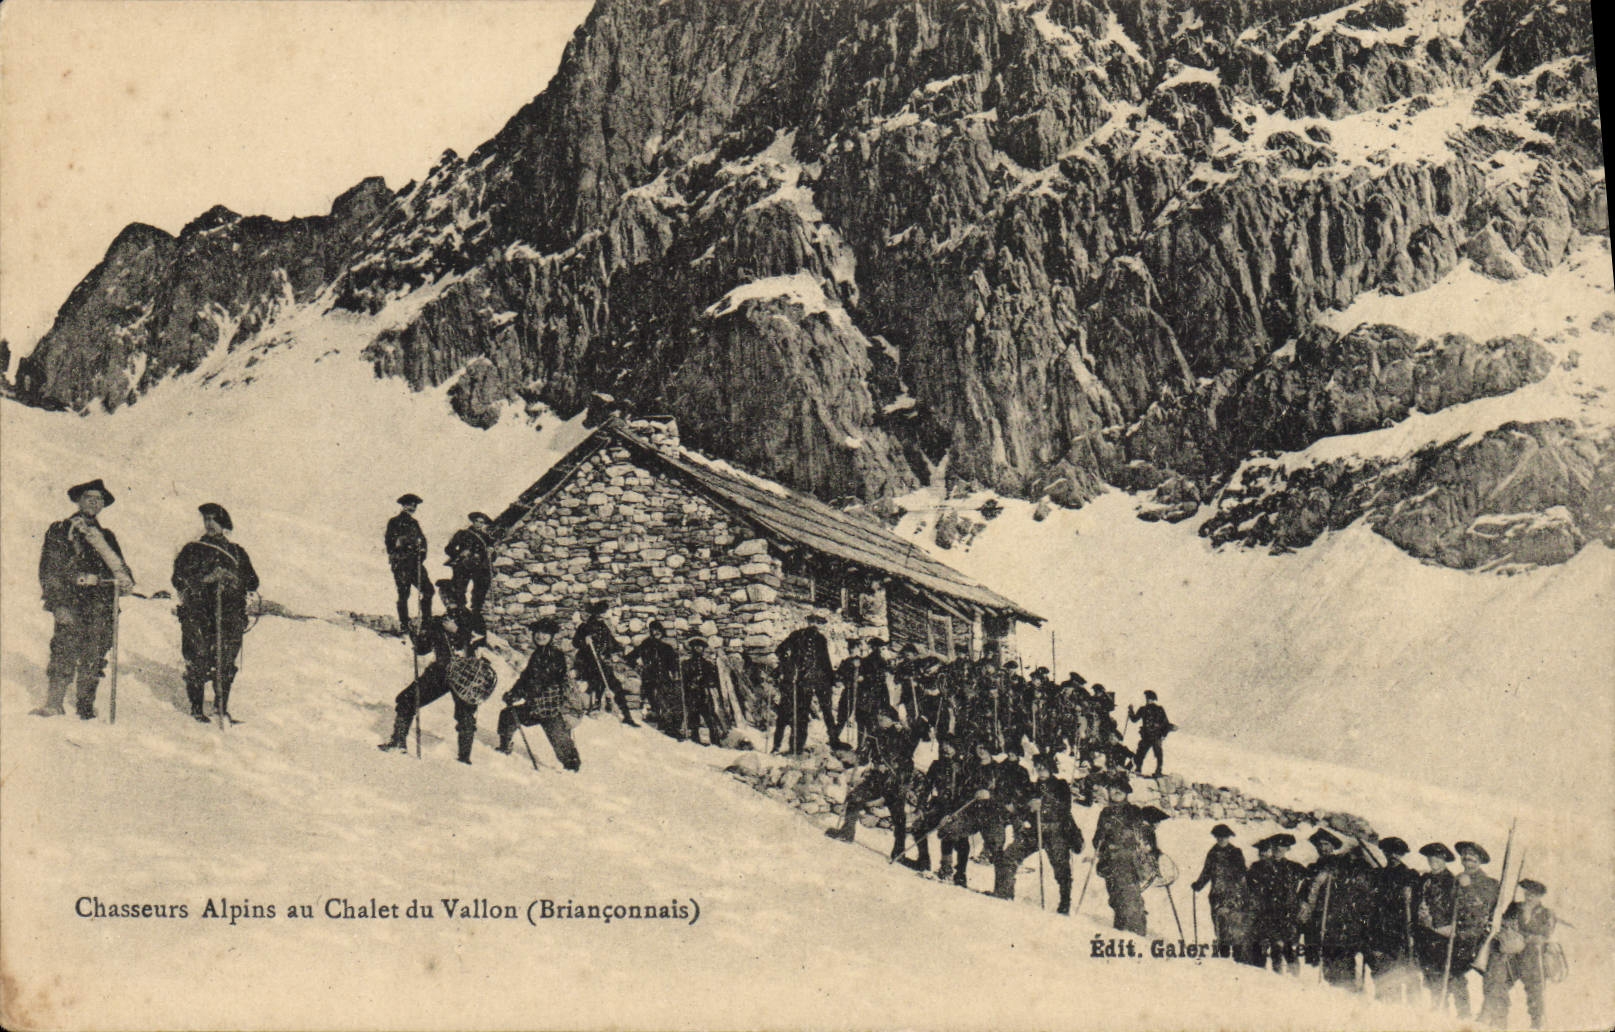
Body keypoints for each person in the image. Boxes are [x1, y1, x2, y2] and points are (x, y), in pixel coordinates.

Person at [35, 479, 135, 719]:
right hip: (71, 601)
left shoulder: (106, 537)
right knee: (64, 650)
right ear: (78, 501)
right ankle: (54, 703)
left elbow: (121, 569)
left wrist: (124, 582)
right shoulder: (62, 530)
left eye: (99, 499)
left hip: (100, 605)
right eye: (89, 498)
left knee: (94, 655)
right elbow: (50, 570)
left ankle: (85, 707)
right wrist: (58, 604)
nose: (94, 503)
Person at [171, 503, 261, 723]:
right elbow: (178, 578)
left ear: (224, 524)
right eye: (207, 519)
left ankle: (221, 708)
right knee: (198, 657)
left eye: (215, 520)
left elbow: (252, 581)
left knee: (226, 661)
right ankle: (196, 709)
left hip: (230, 614)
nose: (210, 524)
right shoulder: (192, 549)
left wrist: (232, 578)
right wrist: (207, 578)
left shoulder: (237, 552)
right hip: (198, 612)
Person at [378, 605, 485, 764]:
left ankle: (464, 758)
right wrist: (415, 633)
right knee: (407, 699)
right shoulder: (438, 622)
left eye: (452, 596)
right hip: (440, 672)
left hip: (465, 673)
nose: (448, 601)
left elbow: (479, 642)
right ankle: (398, 742)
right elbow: (422, 649)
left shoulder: (473, 619)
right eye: (446, 597)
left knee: (466, 714)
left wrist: (457, 631)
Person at [994, 751, 1083, 912]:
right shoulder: (1032, 787)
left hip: (1056, 831)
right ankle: (1004, 893)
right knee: (1009, 855)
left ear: (1051, 768)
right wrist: (1026, 806)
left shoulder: (1061, 785)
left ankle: (1065, 903)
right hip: (1035, 831)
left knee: (1062, 869)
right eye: (1038, 767)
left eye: (1044, 767)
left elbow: (1064, 807)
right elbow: (1022, 807)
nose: (1041, 771)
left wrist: (1045, 803)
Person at [824, 711, 918, 861]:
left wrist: (896, 771)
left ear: (892, 719)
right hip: (876, 779)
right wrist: (852, 758)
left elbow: (908, 760)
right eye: (879, 716)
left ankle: (899, 851)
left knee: (898, 816)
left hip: (895, 781)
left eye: (884, 716)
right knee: (854, 797)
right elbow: (863, 756)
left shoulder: (903, 736)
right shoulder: (874, 735)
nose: (880, 718)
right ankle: (847, 833)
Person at [496, 618, 581, 771]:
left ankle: (573, 768)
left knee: (560, 742)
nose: (540, 636)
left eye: (545, 633)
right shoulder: (536, 655)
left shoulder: (556, 655)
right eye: (538, 632)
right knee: (508, 716)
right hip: (534, 706)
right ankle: (504, 747)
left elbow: (544, 680)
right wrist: (513, 693)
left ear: (551, 636)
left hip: (551, 708)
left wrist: (521, 692)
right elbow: (526, 677)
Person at [1298, 828, 1375, 989]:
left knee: (1341, 959)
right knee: (1321, 960)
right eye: (1320, 845)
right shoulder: (1313, 867)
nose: (1323, 848)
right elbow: (1306, 894)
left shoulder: (1341, 864)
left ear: (1333, 846)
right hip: (1319, 920)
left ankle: (1347, 990)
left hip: (1339, 921)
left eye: (1326, 844)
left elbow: (1358, 878)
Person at [1478, 878, 1556, 1029]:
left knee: (1535, 991)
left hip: (1532, 959)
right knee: (1497, 984)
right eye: (1527, 893)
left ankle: (1537, 1023)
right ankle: (1496, 1020)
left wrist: (1523, 938)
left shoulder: (1547, 913)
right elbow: (1503, 924)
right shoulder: (1515, 907)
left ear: (1540, 896)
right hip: (1511, 957)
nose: (1529, 897)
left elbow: (1545, 935)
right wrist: (1504, 926)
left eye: (1534, 894)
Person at [1091, 775, 1157, 934]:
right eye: (1113, 788)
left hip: (1129, 861)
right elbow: (1097, 838)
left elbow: (1146, 834)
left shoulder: (1134, 811)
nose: (1116, 792)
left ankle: (1136, 932)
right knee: (1115, 897)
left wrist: (1150, 848)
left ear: (1127, 792)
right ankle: (1120, 930)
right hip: (1110, 861)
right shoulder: (1105, 813)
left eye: (1120, 789)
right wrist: (1100, 841)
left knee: (1130, 897)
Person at [1444, 840, 1500, 1018]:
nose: (1468, 862)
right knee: (1451, 972)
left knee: (1490, 980)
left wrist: (1468, 887)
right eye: (1465, 858)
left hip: (1477, 937)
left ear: (1479, 862)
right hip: (1457, 935)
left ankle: (1486, 1016)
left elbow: (1482, 909)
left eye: (1473, 859)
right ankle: (1462, 1013)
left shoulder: (1489, 883)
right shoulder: (1457, 879)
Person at [1365, 837, 1423, 1001]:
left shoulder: (1411, 876)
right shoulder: (1378, 875)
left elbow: (1417, 907)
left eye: (1397, 853)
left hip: (1402, 933)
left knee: (1407, 976)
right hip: (1381, 932)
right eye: (1389, 852)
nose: (1393, 856)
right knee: (1383, 975)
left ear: (1402, 855)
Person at [912, 737, 972, 886]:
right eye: (944, 745)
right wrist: (920, 808)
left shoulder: (964, 768)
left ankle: (956, 872)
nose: (946, 749)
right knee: (919, 826)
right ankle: (923, 862)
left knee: (956, 836)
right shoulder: (937, 765)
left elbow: (967, 792)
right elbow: (926, 788)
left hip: (958, 808)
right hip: (939, 805)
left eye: (950, 746)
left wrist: (954, 812)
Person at [774, 614, 837, 754]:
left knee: (827, 710)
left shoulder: (821, 639)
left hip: (820, 679)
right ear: (807, 622)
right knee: (802, 715)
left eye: (818, 622)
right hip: (803, 680)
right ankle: (797, 747)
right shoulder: (796, 636)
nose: (814, 625)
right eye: (812, 621)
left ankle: (834, 741)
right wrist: (789, 663)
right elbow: (780, 650)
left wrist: (831, 679)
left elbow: (825, 660)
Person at [1246, 833, 1305, 972]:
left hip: (1286, 916)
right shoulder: (1258, 867)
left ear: (1288, 849)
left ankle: (1293, 980)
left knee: (1287, 950)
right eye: (1275, 846)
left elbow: (1311, 881)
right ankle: (1262, 978)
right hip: (1265, 915)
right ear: (1271, 847)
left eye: (1283, 846)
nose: (1279, 849)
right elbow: (1248, 887)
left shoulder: (1294, 867)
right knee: (1260, 950)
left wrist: (1300, 900)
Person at [573, 600, 638, 726]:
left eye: (602, 613)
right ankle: (595, 708)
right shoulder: (584, 627)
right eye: (599, 613)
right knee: (597, 682)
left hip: (601, 663)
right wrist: (584, 641)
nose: (601, 616)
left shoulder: (603, 627)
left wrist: (619, 649)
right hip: (587, 663)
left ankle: (627, 715)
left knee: (616, 685)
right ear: (594, 614)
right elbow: (575, 642)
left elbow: (611, 642)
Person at [1191, 824, 1250, 959]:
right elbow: (1207, 872)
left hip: (1234, 896)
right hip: (1217, 896)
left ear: (1229, 837)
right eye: (1219, 837)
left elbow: (1243, 873)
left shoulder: (1236, 852)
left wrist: (1243, 890)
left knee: (1235, 926)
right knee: (1220, 927)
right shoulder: (1212, 854)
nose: (1221, 840)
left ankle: (1238, 957)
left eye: (1224, 837)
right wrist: (1198, 885)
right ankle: (1224, 957)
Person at [385, 494, 433, 632]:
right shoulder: (394, 522)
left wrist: (422, 551)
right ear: (403, 505)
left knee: (428, 590)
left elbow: (423, 541)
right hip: (402, 564)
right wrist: (405, 543)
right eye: (409, 504)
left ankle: (426, 623)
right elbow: (390, 543)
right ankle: (404, 624)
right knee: (404, 594)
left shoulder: (414, 523)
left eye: (414, 505)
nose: (412, 507)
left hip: (415, 564)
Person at [627, 621, 682, 735]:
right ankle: (665, 729)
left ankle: (671, 728)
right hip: (650, 680)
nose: (656, 633)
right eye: (653, 630)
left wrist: (675, 671)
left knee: (669, 703)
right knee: (657, 704)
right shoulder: (645, 645)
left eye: (658, 630)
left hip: (665, 680)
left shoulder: (667, 648)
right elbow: (630, 658)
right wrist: (639, 669)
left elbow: (673, 665)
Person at [444, 512, 494, 617]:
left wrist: (491, 552)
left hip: (479, 567)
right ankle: (461, 611)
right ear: (473, 522)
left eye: (482, 522)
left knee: (480, 589)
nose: (479, 524)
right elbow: (448, 549)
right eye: (477, 521)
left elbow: (492, 557)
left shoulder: (486, 538)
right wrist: (460, 553)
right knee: (460, 589)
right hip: (463, 565)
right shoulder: (462, 534)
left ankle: (476, 612)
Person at [677, 637, 723, 745]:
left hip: (705, 695)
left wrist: (706, 683)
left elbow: (713, 680)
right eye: (696, 647)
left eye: (700, 647)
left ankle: (715, 741)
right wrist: (690, 685)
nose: (698, 649)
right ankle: (695, 741)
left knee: (710, 717)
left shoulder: (707, 664)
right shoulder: (686, 664)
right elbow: (683, 681)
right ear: (692, 648)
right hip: (692, 695)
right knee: (694, 718)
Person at [1128, 690, 1172, 777]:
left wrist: (1130, 710)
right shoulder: (1149, 709)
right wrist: (1131, 710)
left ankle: (1153, 770)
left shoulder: (1152, 709)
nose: (1147, 700)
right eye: (1147, 698)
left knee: (1152, 753)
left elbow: (1165, 723)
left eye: (1149, 698)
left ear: (1152, 699)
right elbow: (1134, 719)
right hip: (1151, 736)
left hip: (1153, 736)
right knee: (1145, 753)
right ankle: (1142, 769)